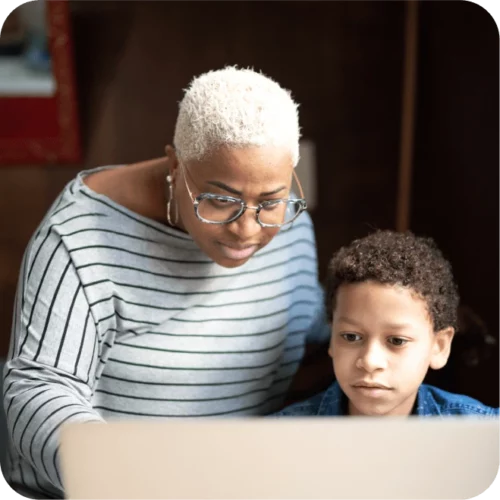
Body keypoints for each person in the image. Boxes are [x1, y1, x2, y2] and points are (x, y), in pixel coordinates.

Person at [2, 66, 330, 499]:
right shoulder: (80, 237)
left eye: (269, 201)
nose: (248, 229)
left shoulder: (290, 225)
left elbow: (313, 329)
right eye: (220, 200)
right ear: (176, 163)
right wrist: (125, 476)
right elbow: (38, 390)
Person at [275, 230, 500, 417]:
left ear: (439, 347)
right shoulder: (280, 437)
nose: (370, 361)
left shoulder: (482, 430)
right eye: (351, 337)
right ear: (332, 337)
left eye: (396, 340)